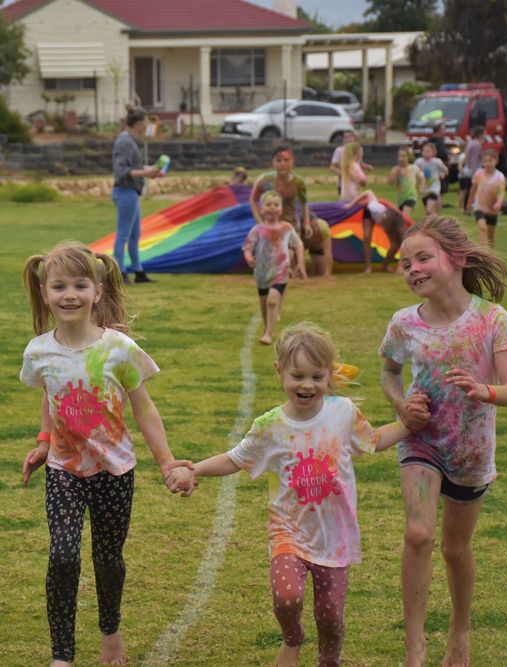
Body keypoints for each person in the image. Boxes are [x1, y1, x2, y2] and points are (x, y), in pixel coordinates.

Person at [190, 322, 430, 667]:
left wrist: (409, 424)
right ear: (280, 372)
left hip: (335, 536)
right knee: (286, 598)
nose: (307, 385)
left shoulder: (343, 413)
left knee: (330, 617)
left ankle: (328, 660)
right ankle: (293, 639)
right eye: (298, 376)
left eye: (317, 377)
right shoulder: (270, 426)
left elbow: (374, 440)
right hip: (289, 531)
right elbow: (235, 459)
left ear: (328, 375)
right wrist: (195, 469)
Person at [20, 241, 195, 667]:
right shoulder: (39, 350)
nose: (69, 295)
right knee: (62, 556)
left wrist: (167, 461)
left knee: (108, 559)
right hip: (64, 471)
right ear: (45, 293)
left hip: (115, 472)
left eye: (80, 285)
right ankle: (62, 654)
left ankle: (111, 636)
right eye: (59, 286)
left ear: (97, 290)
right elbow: (49, 394)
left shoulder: (119, 350)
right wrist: (44, 442)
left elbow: (145, 408)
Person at [379, 216, 507, 667]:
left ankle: (460, 635)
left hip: (471, 452)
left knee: (455, 548)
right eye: (406, 264)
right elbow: (389, 373)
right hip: (421, 443)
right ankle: (415, 647)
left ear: (457, 259)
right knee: (418, 533)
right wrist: (402, 406)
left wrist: (484, 391)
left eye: (423, 258)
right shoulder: (404, 323)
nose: (413, 269)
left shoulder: (493, 320)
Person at [251, 145, 334, 278]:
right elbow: (253, 199)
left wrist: (307, 223)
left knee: (317, 233)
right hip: (274, 225)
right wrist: (260, 222)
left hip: (294, 224)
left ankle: (327, 273)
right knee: (287, 265)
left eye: (286, 160)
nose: (282, 164)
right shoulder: (265, 180)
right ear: (273, 163)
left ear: (292, 161)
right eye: (278, 160)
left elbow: (304, 202)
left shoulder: (298, 181)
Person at [243, 191, 306, 345]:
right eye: (268, 205)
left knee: (272, 301)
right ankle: (267, 328)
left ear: (281, 208)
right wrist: (250, 258)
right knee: (265, 303)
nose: (272, 208)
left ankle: (268, 335)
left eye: (276, 204)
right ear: (261, 209)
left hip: (281, 271)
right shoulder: (257, 230)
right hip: (262, 273)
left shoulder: (286, 228)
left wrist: (300, 263)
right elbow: (247, 247)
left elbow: (298, 244)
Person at [112, 105, 164, 284]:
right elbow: (121, 171)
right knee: (123, 235)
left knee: (134, 236)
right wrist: (146, 173)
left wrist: (152, 170)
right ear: (139, 123)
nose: (147, 126)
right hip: (125, 191)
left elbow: (136, 169)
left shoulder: (129, 140)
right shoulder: (125, 141)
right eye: (145, 122)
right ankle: (119, 273)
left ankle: (138, 272)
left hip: (131, 192)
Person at [344, 190, 408, 273]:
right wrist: (351, 204)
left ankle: (385, 265)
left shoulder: (396, 223)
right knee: (367, 237)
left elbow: (404, 243)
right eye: (383, 223)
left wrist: (400, 267)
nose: (382, 225)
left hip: (389, 220)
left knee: (394, 244)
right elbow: (368, 192)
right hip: (369, 214)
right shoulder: (374, 207)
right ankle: (368, 267)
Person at [467, 149, 507, 247]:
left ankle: (490, 255)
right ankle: (483, 252)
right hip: (479, 206)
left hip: (492, 208)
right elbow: (473, 189)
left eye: (490, 160)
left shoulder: (499, 176)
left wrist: (499, 203)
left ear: (496, 161)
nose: (487, 163)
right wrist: (470, 201)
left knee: (491, 235)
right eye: (485, 161)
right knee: (482, 227)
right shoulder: (479, 174)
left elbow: (501, 192)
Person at [329, 129, 373, 195]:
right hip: (344, 181)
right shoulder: (339, 150)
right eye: (346, 137)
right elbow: (332, 167)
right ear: (343, 139)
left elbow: (360, 163)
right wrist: (343, 173)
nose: (349, 139)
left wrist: (367, 166)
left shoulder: (359, 149)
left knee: (356, 196)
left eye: (351, 137)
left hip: (356, 179)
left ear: (354, 138)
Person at [389, 147, 424, 220]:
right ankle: (409, 228)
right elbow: (390, 182)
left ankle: (409, 230)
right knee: (401, 219)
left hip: (411, 196)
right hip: (401, 198)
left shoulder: (413, 168)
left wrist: (421, 187)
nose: (401, 158)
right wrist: (395, 174)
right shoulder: (395, 169)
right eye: (400, 156)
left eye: (404, 156)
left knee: (405, 215)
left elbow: (422, 177)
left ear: (408, 157)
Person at [415, 142, 448, 216]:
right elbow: (415, 172)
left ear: (433, 152)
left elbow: (446, 170)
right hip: (424, 190)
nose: (425, 153)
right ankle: (434, 222)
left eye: (428, 151)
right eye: (423, 151)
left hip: (434, 189)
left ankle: (427, 224)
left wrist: (442, 174)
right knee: (429, 211)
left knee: (428, 210)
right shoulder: (419, 162)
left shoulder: (437, 162)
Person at [458, 127, 484, 212]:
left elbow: (467, 156)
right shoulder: (477, 144)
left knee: (468, 189)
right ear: (481, 134)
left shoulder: (471, 142)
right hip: (473, 169)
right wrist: (475, 172)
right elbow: (474, 159)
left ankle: (467, 206)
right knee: (472, 189)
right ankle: (469, 207)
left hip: (468, 169)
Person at [431, 122, 450, 195]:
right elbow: (444, 155)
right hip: (439, 171)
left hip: (430, 170)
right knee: (440, 192)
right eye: (444, 130)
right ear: (439, 131)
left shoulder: (429, 141)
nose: (445, 132)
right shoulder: (439, 142)